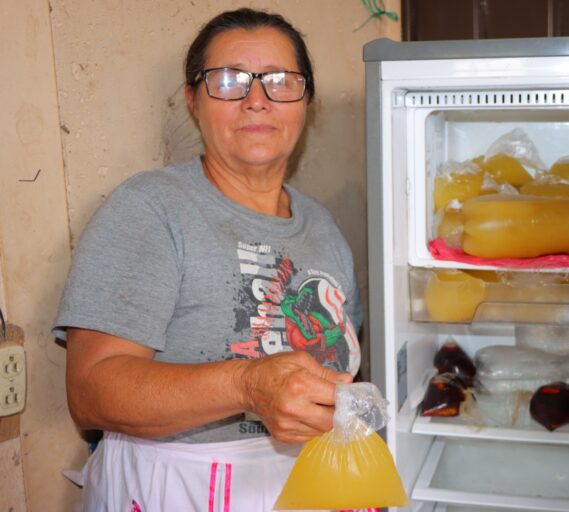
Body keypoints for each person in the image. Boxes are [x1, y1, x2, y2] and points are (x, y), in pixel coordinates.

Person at [54, 8, 363, 511]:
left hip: (312, 485)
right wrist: (247, 385)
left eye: (281, 81)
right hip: (178, 491)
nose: (257, 100)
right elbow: (91, 391)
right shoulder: (151, 208)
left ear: (307, 100)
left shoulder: (323, 226)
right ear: (193, 99)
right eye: (229, 81)